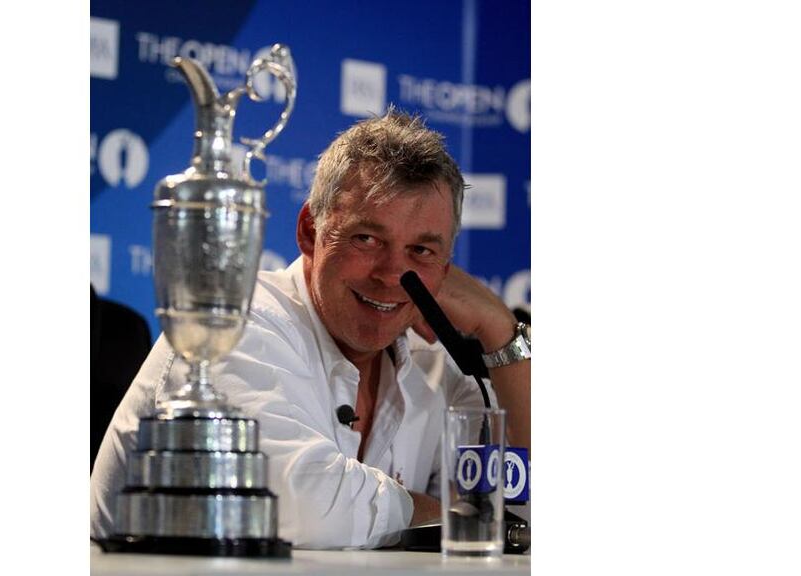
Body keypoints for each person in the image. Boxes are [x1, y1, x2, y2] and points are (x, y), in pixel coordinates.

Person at [90, 109, 531, 549]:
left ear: (446, 269)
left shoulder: (432, 362)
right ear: (309, 230)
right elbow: (298, 504)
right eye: (366, 239)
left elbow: (527, 504)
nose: (393, 274)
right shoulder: (234, 323)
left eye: (421, 251)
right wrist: (458, 517)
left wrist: (501, 331)